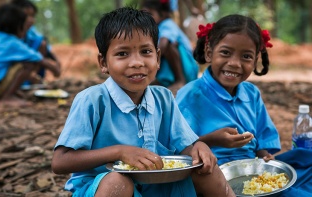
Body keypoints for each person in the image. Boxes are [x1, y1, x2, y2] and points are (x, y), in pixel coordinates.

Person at [51, 7, 235, 197]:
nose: (137, 62)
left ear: (157, 58)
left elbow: (184, 147)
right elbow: (60, 161)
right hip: (105, 187)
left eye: (145, 51)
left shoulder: (163, 99)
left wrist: (199, 148)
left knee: (205, 166)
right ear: (103, 62)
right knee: (118, 181)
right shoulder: (92, 100)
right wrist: (118, 152)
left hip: (157, 186)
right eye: (122, 54)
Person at [176, 14, 281, 166]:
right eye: (225, 52)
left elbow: (262, 142)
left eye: (246, 56)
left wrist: (265, 157)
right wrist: (212, 140)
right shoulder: (191, 95)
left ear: (255, 61)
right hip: (207, 172)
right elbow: (175, 147)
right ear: (209, 52)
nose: (235, 63)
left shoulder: (252, 94)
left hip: (251, 171)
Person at [0, 4, 61, 107]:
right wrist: (55, 69)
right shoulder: (13, 43)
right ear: (18, 27)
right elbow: (38, 59)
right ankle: (7, 98)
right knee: (27, 64)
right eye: (24, 27)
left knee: (9, 64)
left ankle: (11, 93)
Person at [142, 0, 199, 96]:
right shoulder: (154, 29)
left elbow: (163, 44)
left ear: (163, 14)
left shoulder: (168, 24)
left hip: (187, 68)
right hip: (169, 71)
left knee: (168, 45)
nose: (146, 18)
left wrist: (151, 68)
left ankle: (180, 80)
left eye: (150, 14)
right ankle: (162, 80)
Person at [11, 0, 61, 87]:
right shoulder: (8, 35)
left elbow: (43, 45)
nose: (30, 19)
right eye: (26, 16)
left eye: (32, 16)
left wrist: (56, 61)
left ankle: (33, 79)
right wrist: (51, 66)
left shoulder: (30, 32)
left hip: (28, 60)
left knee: (41, 44)